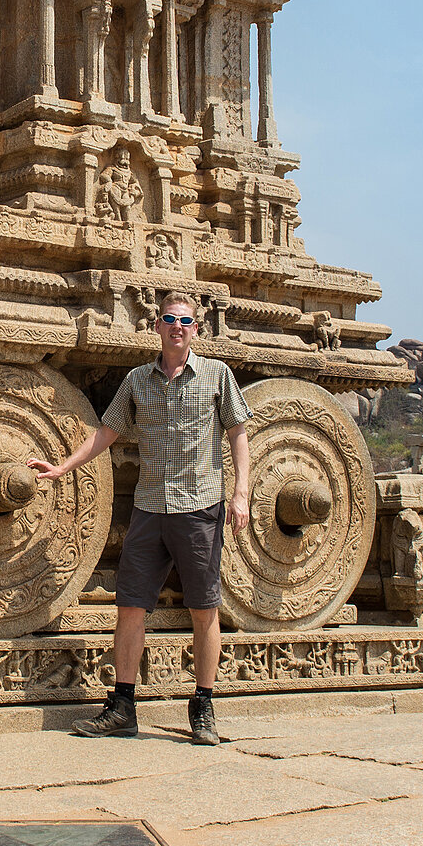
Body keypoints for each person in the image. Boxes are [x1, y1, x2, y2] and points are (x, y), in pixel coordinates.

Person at [28, 290, 251, 745]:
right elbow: (106, 432)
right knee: (130, 607)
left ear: (196, 329)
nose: (176, 327)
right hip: (150, 507)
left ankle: (203, 707)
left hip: (199, 506)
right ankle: (123, 706)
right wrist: (63, 467)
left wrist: (241, 492)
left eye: (185, 321)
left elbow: (238, 434)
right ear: (156, 327)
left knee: (204, 608)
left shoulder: (216, 375)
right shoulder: (137, 380)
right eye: (169, 319)